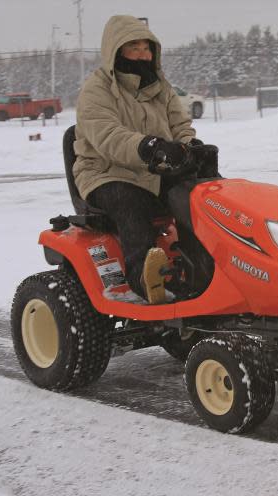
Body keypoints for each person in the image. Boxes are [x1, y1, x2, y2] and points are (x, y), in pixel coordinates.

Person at [72, 15, 201, 304]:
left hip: (156, 171)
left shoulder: (161, 88)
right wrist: (149, 147)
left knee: (204, 196)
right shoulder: (96, 90)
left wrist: (190, 147)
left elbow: (180, 125)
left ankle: (203, 269)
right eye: (134, 47)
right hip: (105, 174)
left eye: (147, 47)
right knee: (132, 203)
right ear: (116, 50)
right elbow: (108, 135)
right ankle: (143, 277)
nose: (142, 54)